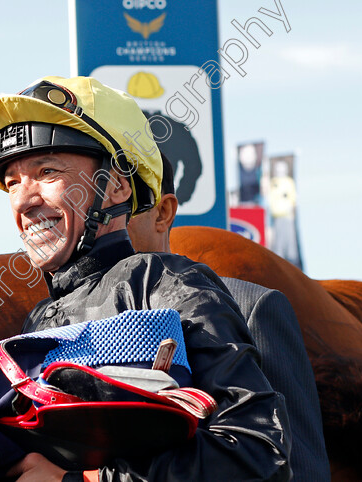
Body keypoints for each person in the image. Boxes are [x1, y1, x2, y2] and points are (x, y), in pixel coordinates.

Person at [0, 76, 290, 480]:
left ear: (116, 187)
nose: (24, 199)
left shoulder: (169, 285)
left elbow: (257, 455)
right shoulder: (40, 322)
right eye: (13, 181)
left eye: (47, 172)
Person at [129, 153, 329, 480]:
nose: (96, 221)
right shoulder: (55, 326)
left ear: (162, 212)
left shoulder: (252, 307)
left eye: (119, 200)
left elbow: (303, 471)